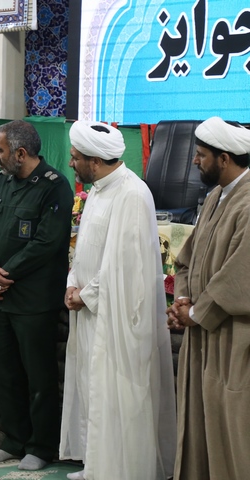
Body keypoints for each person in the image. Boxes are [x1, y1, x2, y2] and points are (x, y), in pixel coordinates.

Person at [61, 121, 176, 480]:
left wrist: (85, 295)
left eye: (76, 157)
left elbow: (123, 265)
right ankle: (96, 466)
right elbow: (86, 248)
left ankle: (119, 471)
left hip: (118, 317)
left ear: (95, 162)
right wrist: (72, 283)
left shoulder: (132, 194)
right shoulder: (97, 190)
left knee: (115, 391)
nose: (71, 162)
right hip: (90, 310)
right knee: (92, 388)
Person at [0, 120, 73, 471]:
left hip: (33, 300)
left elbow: (47, 242)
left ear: (20, 153)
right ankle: (14, 439)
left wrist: (6, 273)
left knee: (38, 376)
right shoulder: (0, 181)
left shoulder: (54, 186)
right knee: (4, 373)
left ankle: (41, 447)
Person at [167, 117, 250, 480]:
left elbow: (239, 277)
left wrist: (197, 313)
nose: (194, 161)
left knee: (231, 430)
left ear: (225, 158)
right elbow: (187, 259)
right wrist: (183, 299)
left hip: (234, 341)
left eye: (201, 155)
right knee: (199, 426)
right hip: (202, 337)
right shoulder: (216, 196)